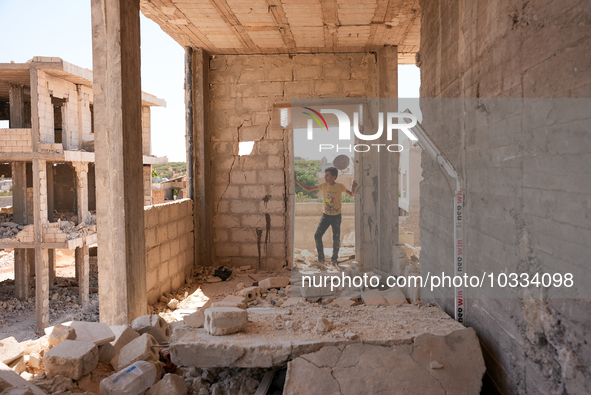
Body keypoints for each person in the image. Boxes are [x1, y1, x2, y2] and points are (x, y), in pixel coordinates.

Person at [295, 167, 357, 266]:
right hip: (326, 216)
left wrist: (353, 187)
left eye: (327, 175)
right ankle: (321, 259)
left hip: (336, 216)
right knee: (317, 235)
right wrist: (296, 181)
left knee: (336, 238)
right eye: (325, 175)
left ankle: (334, 260)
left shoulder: (340, 186)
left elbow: (352, 195)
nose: (325, 177)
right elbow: (309, 189)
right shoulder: (323, 186)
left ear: (334, 177)